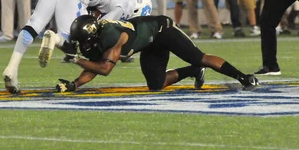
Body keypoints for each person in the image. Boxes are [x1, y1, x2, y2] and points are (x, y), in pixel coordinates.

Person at [2, 0, 144, 93]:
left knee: (35, 23)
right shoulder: (128, 6)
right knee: (76, 40)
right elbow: (104, 25)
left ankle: (11, 69)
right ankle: (55, 38)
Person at [58, 14, 258, 93]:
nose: (83, 45)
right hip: (149, 44)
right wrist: (74, 84)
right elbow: (94, 66)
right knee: (156, 85)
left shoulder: (111, 37)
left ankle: (244, 77)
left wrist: (76, 59)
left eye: (84, 40)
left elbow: (104, 68)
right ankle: (194, 71)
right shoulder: (100, 37)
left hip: (163, 30)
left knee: (199, 56)